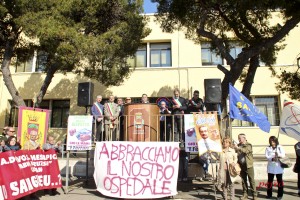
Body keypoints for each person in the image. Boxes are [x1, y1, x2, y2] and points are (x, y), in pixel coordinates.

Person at [233, 133, 257, 200]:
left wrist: (238, 148)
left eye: (240, 138)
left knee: (251, 180)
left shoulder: (248, 145)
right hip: (241, 166)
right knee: (243, 181)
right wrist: (235, 148)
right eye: (238, 138)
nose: (239, 140)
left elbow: (246, 151)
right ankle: (245, 194)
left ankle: (254, 195)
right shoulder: (239, 145)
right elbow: (236, 154)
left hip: (248, 166)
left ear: (244, 138)